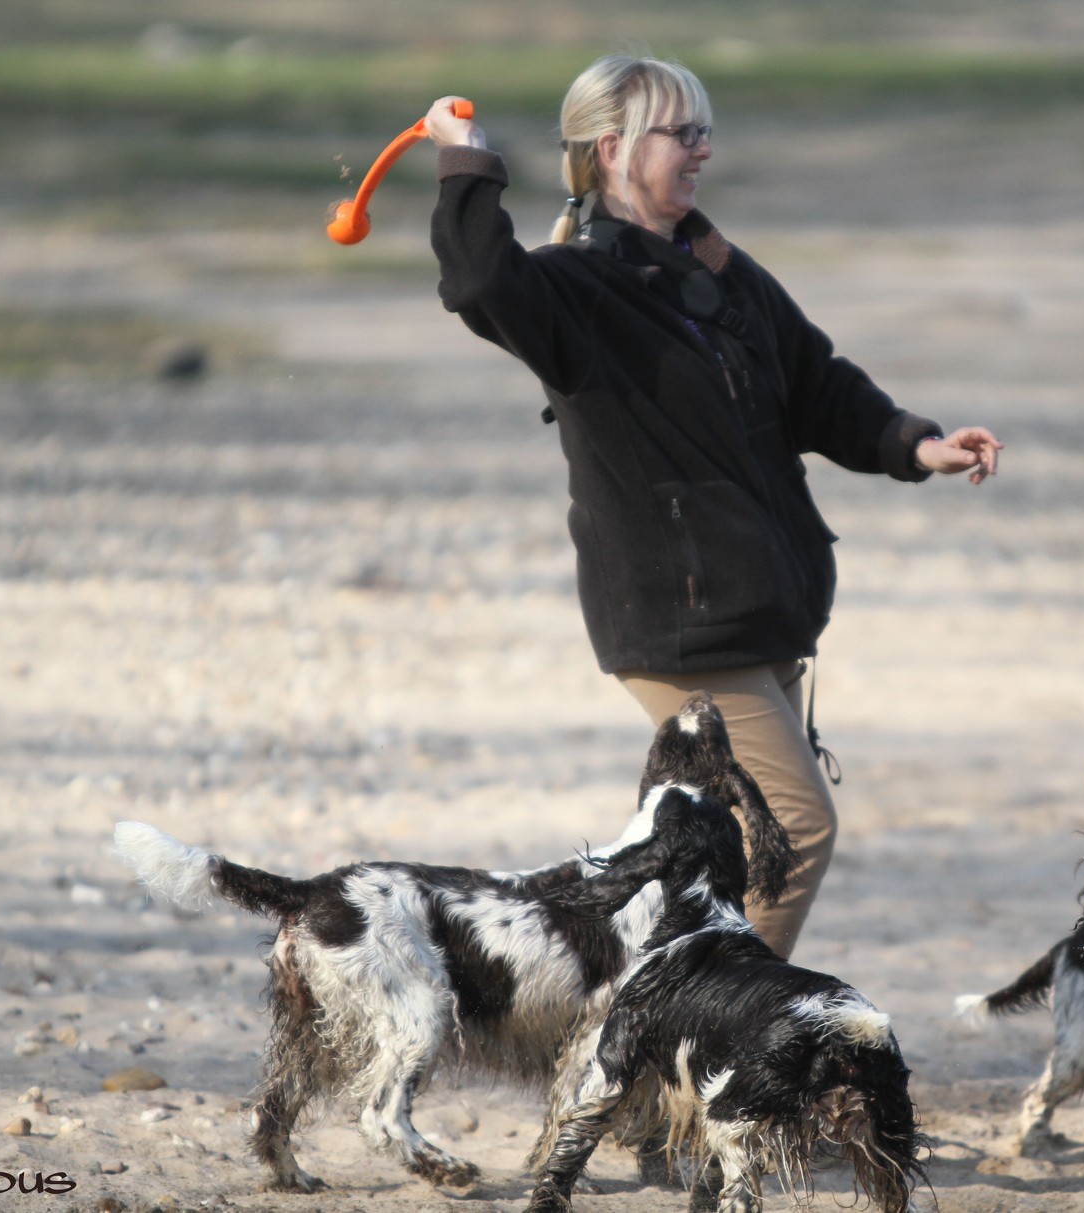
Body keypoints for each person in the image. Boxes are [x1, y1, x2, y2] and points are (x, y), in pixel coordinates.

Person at [425, 54, 1001, 959]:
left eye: (705, 132)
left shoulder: (718, 272)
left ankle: (644, 1027)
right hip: (683, 625)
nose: (701, 150)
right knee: (796, 832)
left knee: (718, 854)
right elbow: (480, 284)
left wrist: (912, 443)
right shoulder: (571, 291)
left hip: (758, 612)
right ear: (612, 148)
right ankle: (718, 1031)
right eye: (680, 133)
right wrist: (466, 163)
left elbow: (816, 383)